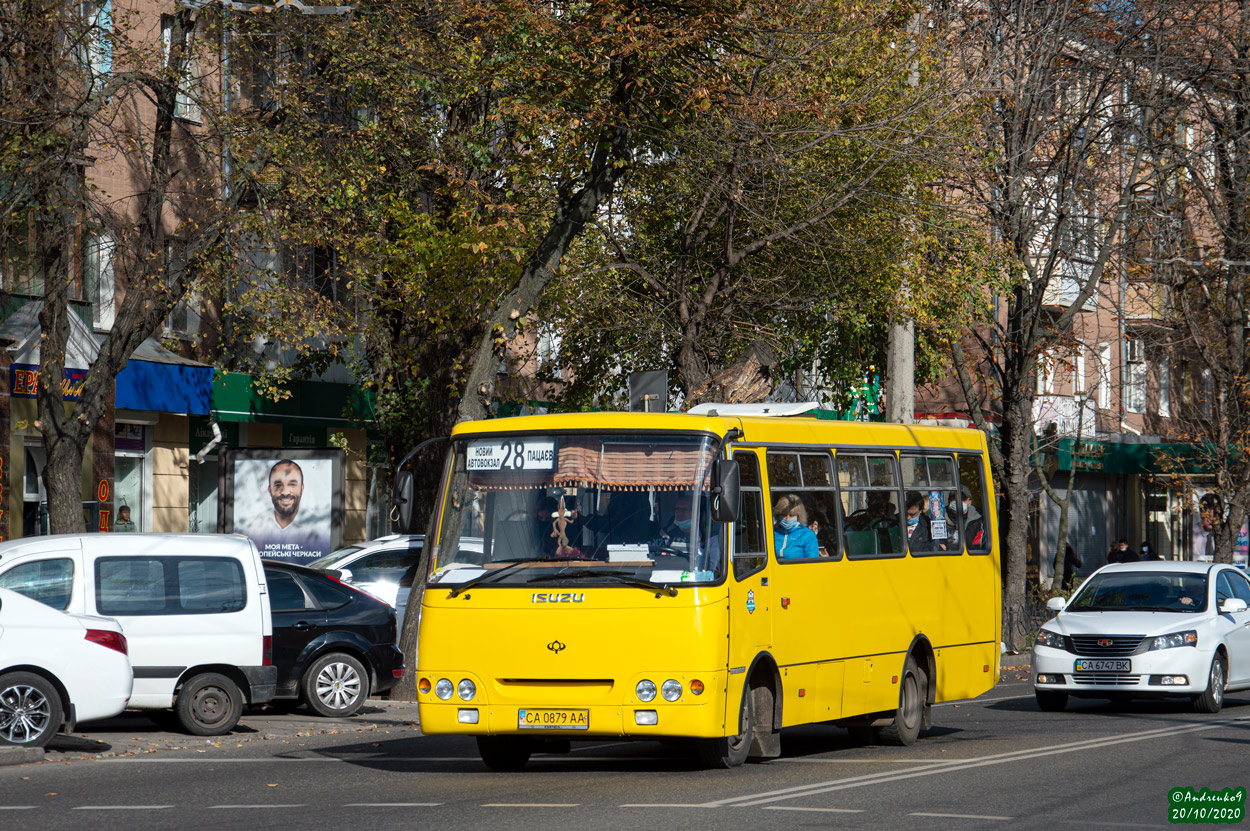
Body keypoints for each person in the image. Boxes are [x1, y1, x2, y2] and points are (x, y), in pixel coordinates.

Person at [242, 459, 323, 559]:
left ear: (302, 489)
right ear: (269, 490)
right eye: (278, 485)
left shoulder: (319, 529)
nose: (285, 492)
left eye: (292, 484)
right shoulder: (252, 528)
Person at [774, 494, 819, 559]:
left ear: (799, 516)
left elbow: (812, 561)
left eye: (791, 515)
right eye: (783, 514)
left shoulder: (808, 534)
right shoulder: (772, 533)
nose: (787, 518)